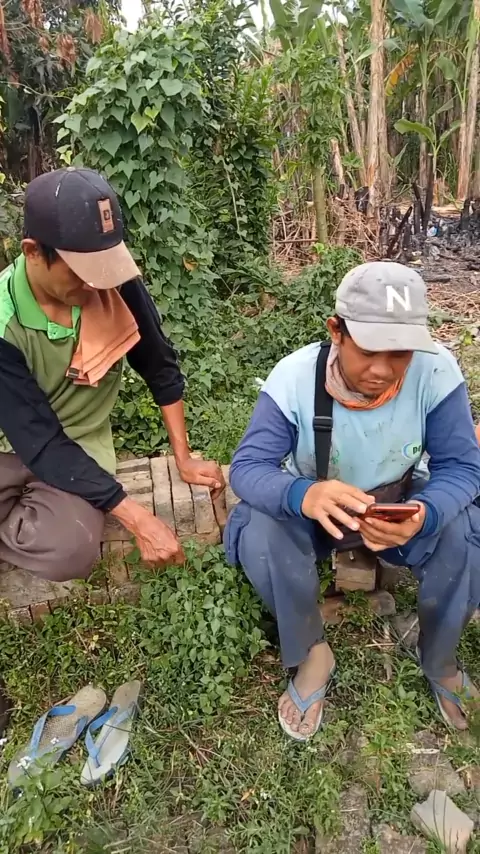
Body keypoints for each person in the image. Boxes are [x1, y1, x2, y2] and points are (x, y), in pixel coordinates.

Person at [0, 167, 224, 733]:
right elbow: (35, 438)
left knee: (72, 550)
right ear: (34, 252)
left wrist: (183, 455)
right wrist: (139, 518)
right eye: (82, 273)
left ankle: (29, 515)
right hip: (12, 443)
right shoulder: (2, 322)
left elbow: (159, 362)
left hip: (76, 447)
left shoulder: (110, 280)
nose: (98, 286)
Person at [224, 261, 480, 739]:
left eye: (399, 353)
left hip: (397, 505)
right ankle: (312, 653)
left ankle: (440, 659)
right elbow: (247, 468)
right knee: (258, 528)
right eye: (367, 350)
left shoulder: (436, 370)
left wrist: (424, 515)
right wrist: (303, 494)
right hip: (318, 512)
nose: (382, 370)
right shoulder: (295, 376)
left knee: (467, 529)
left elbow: (463, 468)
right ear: (336, 331)